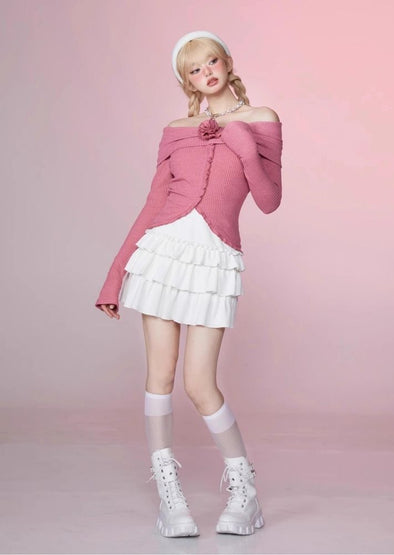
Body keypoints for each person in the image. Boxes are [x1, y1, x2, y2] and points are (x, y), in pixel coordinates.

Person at [95, 30, 282, 538]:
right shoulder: (175, 130)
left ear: (227, 62)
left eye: (212, 62)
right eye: (195, 70)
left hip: (213, 259)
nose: (206, 73)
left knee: (200, 385)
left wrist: (245, 148)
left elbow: (269, 201)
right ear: (187, 81)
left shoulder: (261, 119)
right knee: (159, 377)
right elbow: (153, 204)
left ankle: (245, 494)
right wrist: (115, 276)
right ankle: (169, 498)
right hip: (161, 255)